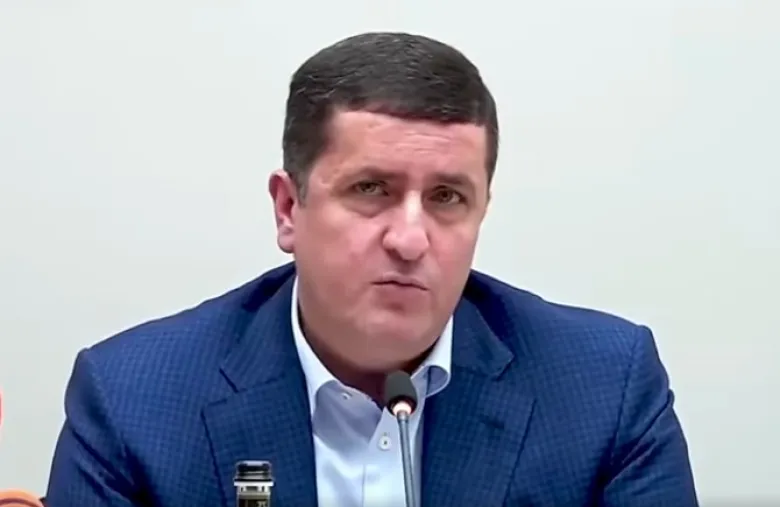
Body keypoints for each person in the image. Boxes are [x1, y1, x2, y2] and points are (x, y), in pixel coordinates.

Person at [45, 32, 698, 506]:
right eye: (370, 189)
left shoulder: (604, 389)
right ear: (288, 208)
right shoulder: (134, 401)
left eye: (447, 197)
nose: (410, 239)